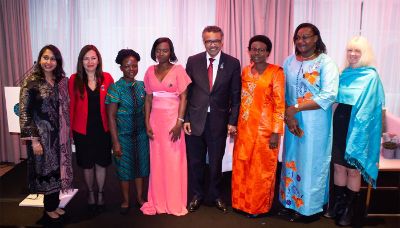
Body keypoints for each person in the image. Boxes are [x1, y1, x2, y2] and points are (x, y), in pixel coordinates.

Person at [278, 23, 339, 222]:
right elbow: (284, 93)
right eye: (298, 37)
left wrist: (296, 108)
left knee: (311, 162)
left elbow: (329, 95)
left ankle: (309, 209)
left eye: (306, 37)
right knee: (291, 160)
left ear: (316, 38)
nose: (301, 41)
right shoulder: (289, 62)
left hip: (315, 122)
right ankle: (290, 202)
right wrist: (289, 116)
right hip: (292, 121)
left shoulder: (325, 63)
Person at [324, 36, 385, 226]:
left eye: (357, 51)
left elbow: (376, 107)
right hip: (340, 123)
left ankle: (349, 208)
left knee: (353, 171)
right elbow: (333, 99)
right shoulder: (343, 73)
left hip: (359, 128)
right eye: (349, 50)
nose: (352, 54)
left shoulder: (371, 76)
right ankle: (339, 204)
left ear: (364, 54)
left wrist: (364, 132)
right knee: (338, 166)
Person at [184, 25, 241, 213]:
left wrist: (233, 121)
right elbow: (186, 92)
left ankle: (216, 195)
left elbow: (236, 95)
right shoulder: (193, 61)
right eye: (209, 41)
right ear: (204, 42)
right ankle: (197, 195)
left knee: (216, 162)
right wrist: (185, 119)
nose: (212, 44)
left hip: (219, 121)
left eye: (216, 41)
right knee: (195, 162)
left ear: (222, 41)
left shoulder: (232, 63)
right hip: (195, 120)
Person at [231, 35, 285, 217]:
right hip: (244, 128)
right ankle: (241, 203)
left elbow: (280, 105)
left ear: (268, 52)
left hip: (265, 132)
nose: (257, 53)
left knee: (260, 170)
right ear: (249, 51)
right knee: (242, 166)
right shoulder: (245, 71)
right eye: (254, 49)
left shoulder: (276, 72)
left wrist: (276, 132)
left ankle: (257, 207)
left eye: (261, 50)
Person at [19, 45, 73, 225]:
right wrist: (34, 141)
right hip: (42, 138)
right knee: (46, 172)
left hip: (59, 137)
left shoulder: (60, 81)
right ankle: (48, 209)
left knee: (58, 171)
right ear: (40, 59)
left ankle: (54, 204)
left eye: (52, 58)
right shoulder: (31, 82)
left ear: (57, 61)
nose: (49, 62)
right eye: (45, 57)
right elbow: (25, 113)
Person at [140, 37, 191, 216]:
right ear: (154, 51)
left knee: (173, 161)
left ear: (171, 52)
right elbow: (148, 99)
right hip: (155, 122)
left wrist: (179, 122)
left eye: (165, 50)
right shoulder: (148, 71)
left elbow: (184, 97)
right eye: (158, 50)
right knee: (157, 161)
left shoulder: (178, 70)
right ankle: (158, 200)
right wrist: (146, 123)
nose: (161, 53)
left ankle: (174, 200)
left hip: (173, 122)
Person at [68, 45, 114, 213]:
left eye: (93, 58)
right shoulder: (74, 79)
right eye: (86, 58)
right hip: (82, 131)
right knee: (87, 165)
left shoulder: (107, 78)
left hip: (103, 129)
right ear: (81, 61)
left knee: (102, 164)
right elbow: (71, 105)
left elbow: (113, 105)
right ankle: (90, 192)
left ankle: (101, 193)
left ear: (98, 60)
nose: (90, 61)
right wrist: (71, 132)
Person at [106, 49, 149, 215]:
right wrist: (115, 142)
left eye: (134, 65)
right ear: (121, 68)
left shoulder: (142, 86)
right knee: (124, 169)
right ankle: (125, 200)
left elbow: (148, 109)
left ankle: (139, 197)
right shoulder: (115, 88)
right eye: (127, 66)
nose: (131, 69)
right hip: (122, 136)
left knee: (140, 167)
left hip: (141, 134)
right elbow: (111, 118)